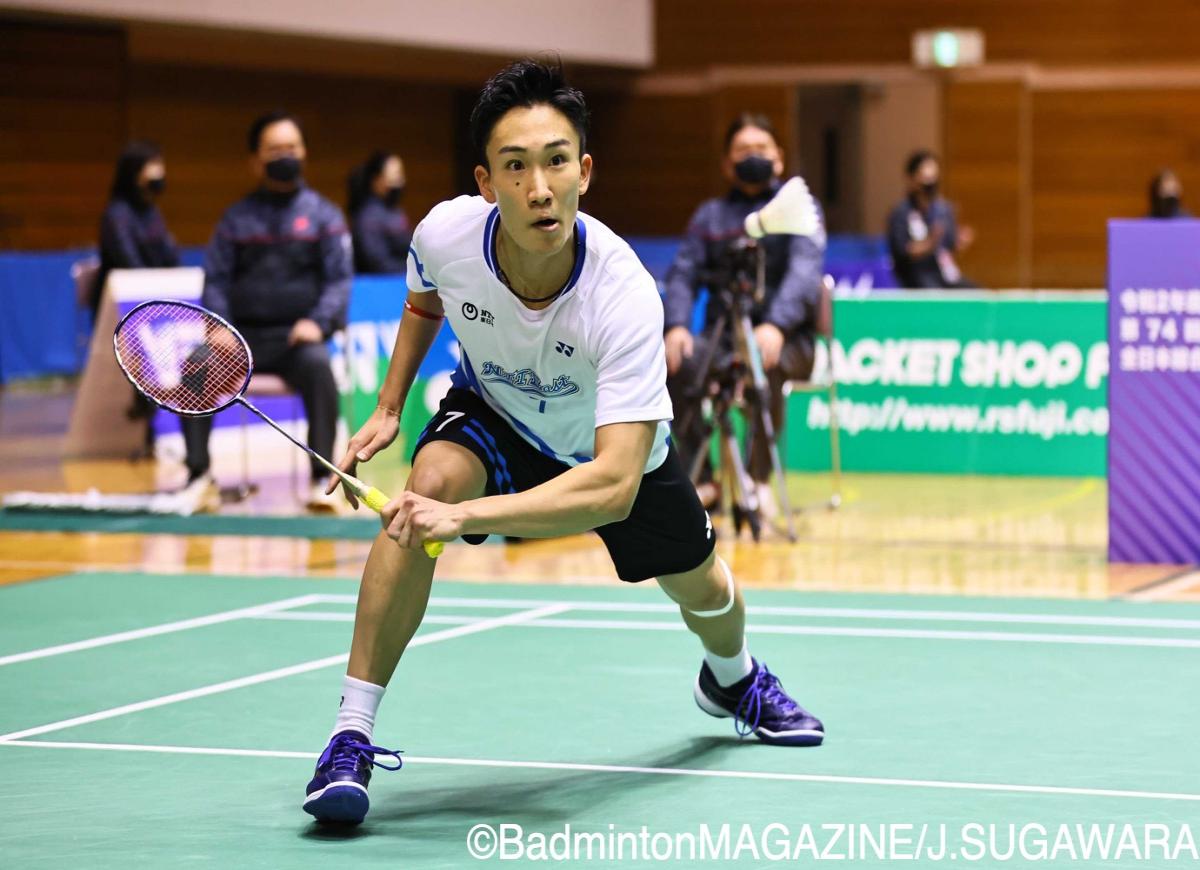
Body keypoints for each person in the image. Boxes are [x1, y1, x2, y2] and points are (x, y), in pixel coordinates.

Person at [301, 59, 825, 827]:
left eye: (555, 162)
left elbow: (611, 486)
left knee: (708, 593)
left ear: (584, 171)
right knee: (425, 493)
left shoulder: (624, 293)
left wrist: (468, 519)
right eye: (515, 167)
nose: (538, 188)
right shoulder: (444, 234)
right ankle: (350, 733)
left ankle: (733, 678)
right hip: (497, 412)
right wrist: (388, 405)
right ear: (486, 182)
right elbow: (423, 297)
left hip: (611, 455)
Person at [181, 110, 352, 510]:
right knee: (196, 364)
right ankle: (198, 476)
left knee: (318, 368)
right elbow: (216, 279)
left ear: (304, 152)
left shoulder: (324, 216)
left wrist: (318, 322)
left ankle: (320, 479)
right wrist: (219, 328)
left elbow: (339, 280)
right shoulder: (235, 219)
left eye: (291, 147)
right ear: (255, 161)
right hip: (240, 342)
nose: (285, 156)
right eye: (275, 149)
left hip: (297, 339)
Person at [663, 114, 826, 510]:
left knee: (765, 363)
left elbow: (805, 275)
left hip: (788, 340)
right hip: (723, 338)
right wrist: (677, 325)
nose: (753, 156)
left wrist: (776, 325)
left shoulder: (798, 207)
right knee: (677, 363)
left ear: (779, 157)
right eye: (743, 150)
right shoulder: (710, 217)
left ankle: (757, 481)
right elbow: (683, 273)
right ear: (726, 164)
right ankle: (704, 480)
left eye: (761, 149)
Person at [95, 141, 180, 457]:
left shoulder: (152, 212)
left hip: (154, 302)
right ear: (134, 173)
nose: (160, 173)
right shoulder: (116, 215)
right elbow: (128, 261)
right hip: (120, 309)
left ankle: (158, 424)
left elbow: (171, 255)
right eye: (152, 166)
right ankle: (144, 417)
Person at [886, 149, 976, 289]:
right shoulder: (901, 213)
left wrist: (959, 242)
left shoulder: (943, 210)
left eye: (934, 179)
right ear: (911, 178)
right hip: (915, 275)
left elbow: (948, 246)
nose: (930, 184)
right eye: (925, 179)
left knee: (975, 294)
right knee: (934, 294)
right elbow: (902, 252)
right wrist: (929, 243)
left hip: (942, 273)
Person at [348, 150, 412, 273]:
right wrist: (415, 271)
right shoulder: (368, 216)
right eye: (395, 176)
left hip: (403, 277)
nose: (400, 182)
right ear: (377, 180)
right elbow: (377, 263)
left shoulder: (395, 211)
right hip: (381, 281)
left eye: (401, 175)